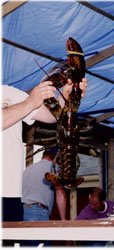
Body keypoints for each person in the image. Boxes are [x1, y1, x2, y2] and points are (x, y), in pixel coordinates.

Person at [1, 77, 87, 246]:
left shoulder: (7, 91)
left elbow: (50, 116)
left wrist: (67, 96)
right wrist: (29, 102)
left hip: (12, 197)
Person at [21, 147, 66, 246]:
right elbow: (59, 192)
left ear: (43, 155)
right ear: (57, 159)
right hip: (38, 213)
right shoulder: (53, 169)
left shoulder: (27, 170)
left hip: (23, 212)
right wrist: (63, 220)